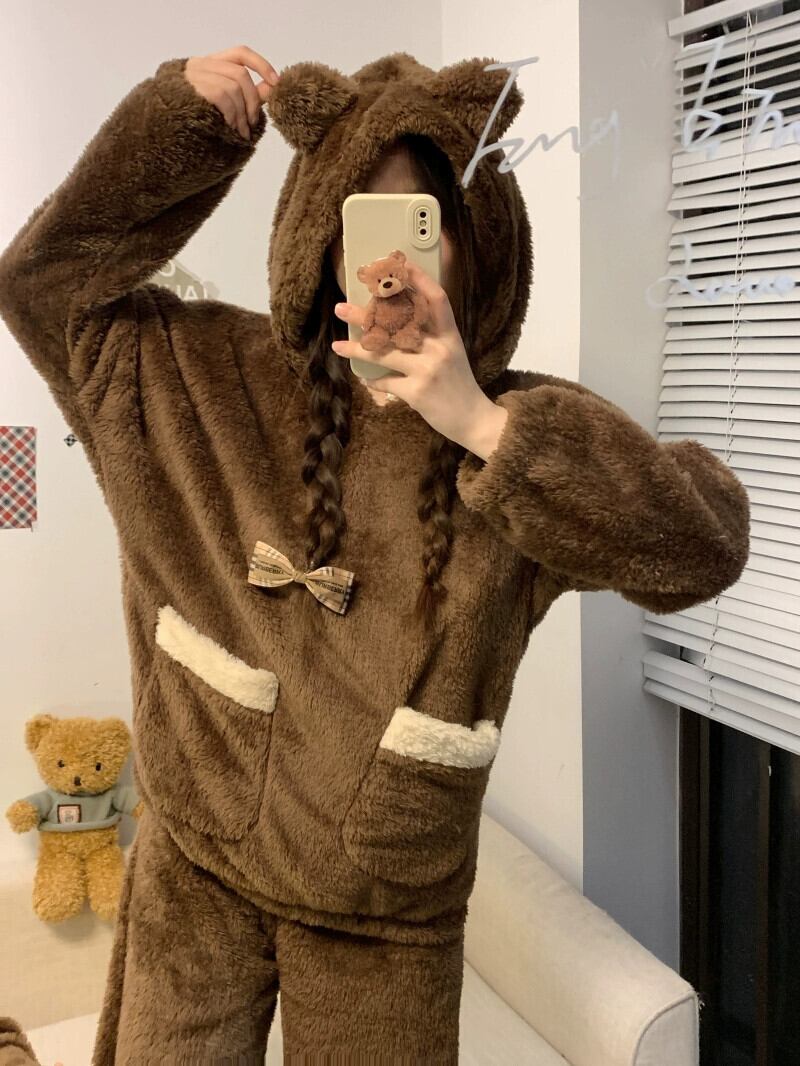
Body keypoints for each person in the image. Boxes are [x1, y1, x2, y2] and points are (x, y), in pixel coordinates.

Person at [0, 45, 750, 1064]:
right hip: (198, 864)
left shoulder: (522, 434)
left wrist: (481, 426)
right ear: (318, 232)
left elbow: (702, 547)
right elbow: (42, 287)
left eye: (423, 226)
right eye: (365, 222)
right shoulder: (199, 374)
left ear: (478, 244)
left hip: (386, 909)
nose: (390, 266)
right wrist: (176, 126)